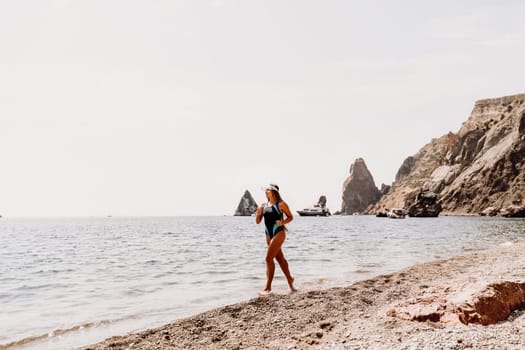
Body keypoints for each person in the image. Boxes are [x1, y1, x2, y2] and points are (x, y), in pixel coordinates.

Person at [255, 184, 297, 295]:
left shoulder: (281, 204)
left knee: (268, 259)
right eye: (265, 190)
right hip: (268, 234)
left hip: (279, 232)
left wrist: (282, 222)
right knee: (280, 259)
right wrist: (258, 214)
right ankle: (290, 281)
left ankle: (268, 288)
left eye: (268, 190)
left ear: (274, 192)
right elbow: (258, 222)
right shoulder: (263, 206)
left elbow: (291, 217)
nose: (265, 191)